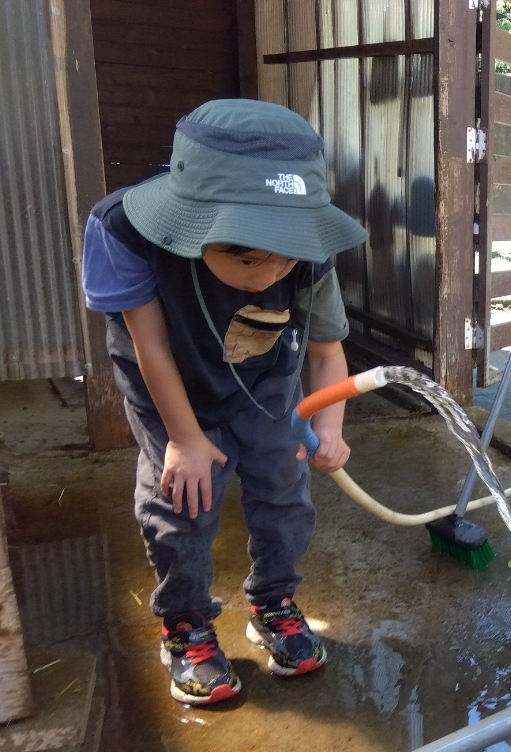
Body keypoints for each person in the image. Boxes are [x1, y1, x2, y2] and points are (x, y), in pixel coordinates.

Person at [82, 99, 368, 705]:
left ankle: (274, 604)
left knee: (284, 492)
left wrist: (330, 426)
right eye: (245, 257)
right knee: (183, 502)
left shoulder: (309, 251)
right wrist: (184, 441)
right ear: (191, 225)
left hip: (266, 381)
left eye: (284, 255)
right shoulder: (125, 231)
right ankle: (185, 624)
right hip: (169, 385)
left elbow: (326, 351)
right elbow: (151, 345)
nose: (269, 275)